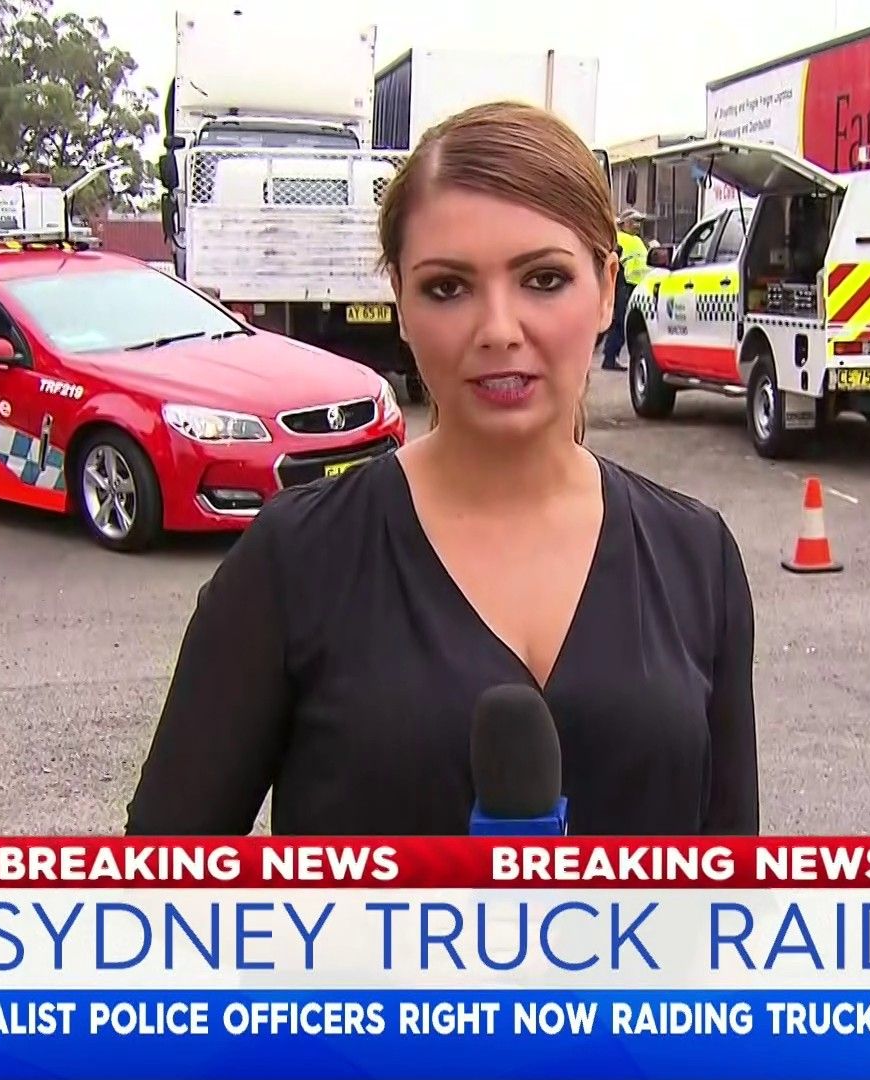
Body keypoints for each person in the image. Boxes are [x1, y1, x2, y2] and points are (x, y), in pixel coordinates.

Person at [126, 101, 759, 838]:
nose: (498, 330)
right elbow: (162, 874)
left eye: (544, 279)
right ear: (400, 300)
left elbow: (732, 873)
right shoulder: (295, 562)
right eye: (448, 288)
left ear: (606, 290)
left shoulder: (698, 558)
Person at [600, 209, 652, 371]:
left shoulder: (638, 240)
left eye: (639, 222)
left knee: (631, 324)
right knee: (620, 323)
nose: (637, 225)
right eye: (633, 222)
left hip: (639, 286)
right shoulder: (618, 239)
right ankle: (610, 358)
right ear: (623, 223)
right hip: (623, 285)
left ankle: (618, 357)